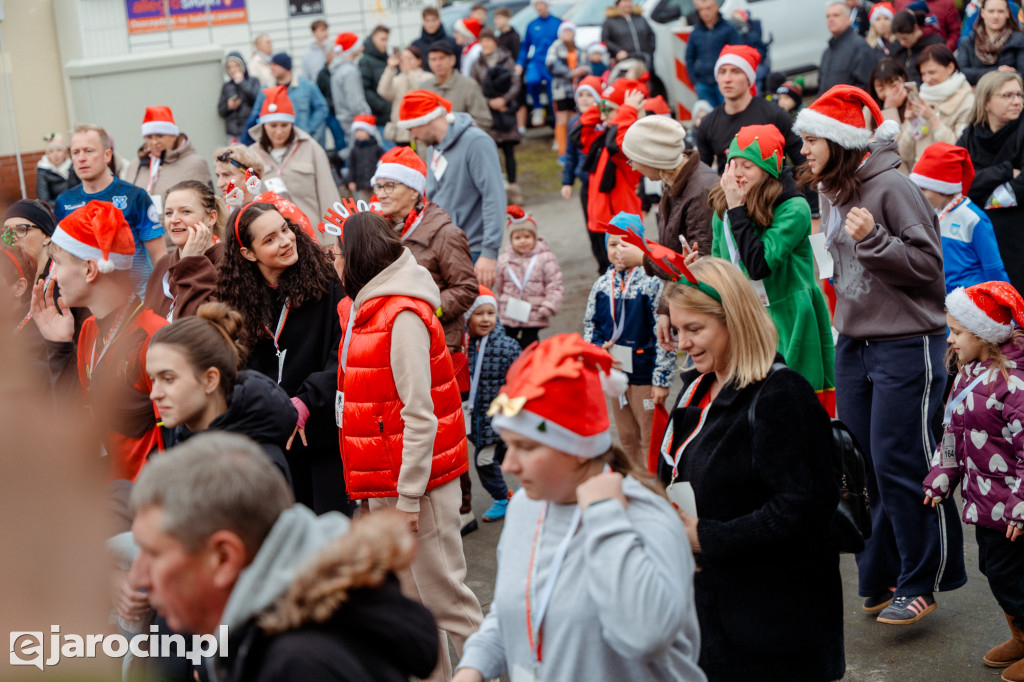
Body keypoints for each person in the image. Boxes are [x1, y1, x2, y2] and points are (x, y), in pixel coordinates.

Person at [794, 84, 967, 623]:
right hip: (855, 343)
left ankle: (923, 579)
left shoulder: (892, 186)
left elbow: (929, 271)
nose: (803, 149)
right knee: (863, 464)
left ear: (840, 141)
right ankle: (883, 572)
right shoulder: (833, 187)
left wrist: (875, 242)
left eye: (811, 139)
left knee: (902, 461)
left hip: (906, 344)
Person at [453, 333, 705, 682]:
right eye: (507, 446)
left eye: (525, 446)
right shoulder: (527, 506)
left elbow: (646, 635)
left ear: (576, 449)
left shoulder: (642, 516)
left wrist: (604, 517)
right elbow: (517, 608)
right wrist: (474, 666)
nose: (508, 465)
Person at [657, 257, 843, 680]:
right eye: (677, 328)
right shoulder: (696, 391)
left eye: (694, 329)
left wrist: (705, 537)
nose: (682, 342)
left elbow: (805, 509)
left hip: (775, 628)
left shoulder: (782, 395)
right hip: (713, 617)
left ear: (733, 321)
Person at [127, 433, 439, 682]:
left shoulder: (299, 668)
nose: (138, 578)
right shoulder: (276, 641)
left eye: (153, 553)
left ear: (223, 558)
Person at [335, 211, 484, 682]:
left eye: (338, 253)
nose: (334, 261)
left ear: (357, 257)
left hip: (414, 490)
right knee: (415, 610)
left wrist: (406, 495)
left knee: (450, 605)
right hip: (389, 485)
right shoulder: (373, 308)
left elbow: (420, 413)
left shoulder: (399, 315)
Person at [218, 201, 349, 515]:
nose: (286, 241)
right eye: (269, 239)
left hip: (323, 433)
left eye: (285, 230)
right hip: (274, 441)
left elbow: (343, 352)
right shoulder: (237, 301)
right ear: (248, 254)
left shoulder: (327, 283)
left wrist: (306, 401)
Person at [922, 282, 1024, 680]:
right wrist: (943, 473)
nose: (950, 338)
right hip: (984, 502)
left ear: (984, 333)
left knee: (1013, 574)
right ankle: (1019, 634)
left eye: (957, 331)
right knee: (994, 569)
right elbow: (952, 431)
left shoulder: (1013, 384)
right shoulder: (966, 375)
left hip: (1013, 508)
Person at [30, 200, 167, 481]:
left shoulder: (156, 335)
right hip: (106, 497)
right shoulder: (90, 328)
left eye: (58, 263)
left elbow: (174, 443)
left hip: (146, 504)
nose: (52, 275)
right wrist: (58, 347)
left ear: (90, 270)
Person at [709, 124, 836, 411]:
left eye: (748, 166)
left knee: (794, 402)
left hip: (790, 314)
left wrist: (736, 210)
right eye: (733, 164)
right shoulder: (725, 207)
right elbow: (720, 269)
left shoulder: (794, 208)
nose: (738, 173)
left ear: (767, 170)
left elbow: (759, 264)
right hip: (746, 313)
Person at [147, 302, 295, 479]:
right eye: (153, 380)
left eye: (168, 379)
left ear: (210, 380)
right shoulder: (182, 449)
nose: (154, 394)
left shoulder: (256, 468)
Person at [584, 213, 673, 468]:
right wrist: (596, 349)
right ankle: (635, 487)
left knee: (651, 437)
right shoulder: (601, 285)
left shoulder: (652, 283)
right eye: (613, 244)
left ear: (641, 246)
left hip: (645, 377)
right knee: (627, 438)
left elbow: (665, 335)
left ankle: (657, 489)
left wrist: (661, 380)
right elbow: (591, 326)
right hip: (615, 375)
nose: (619, 250)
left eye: (626, 243)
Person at [370, 145, 479, 351]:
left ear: (413, 190)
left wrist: (427, 309)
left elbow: (466, 288)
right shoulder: (379, 233)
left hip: (437, 343)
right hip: (393, 342)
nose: (381, 194)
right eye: (378, 186)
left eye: (389, 186)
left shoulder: (446, 234)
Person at [399, 89, 505, 288]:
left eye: (411, 128)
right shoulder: (433, 148)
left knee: (480, 315)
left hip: (474, 250)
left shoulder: (476, 142)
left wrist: (489, 252)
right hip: (445, 249)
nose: (412, 135)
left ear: (426, 119)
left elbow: (494, 197)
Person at [56, 124, 165, 291]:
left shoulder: (135, 196)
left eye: (89, 151)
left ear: (107, 155)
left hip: (138, 301)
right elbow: (61, 258)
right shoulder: (64, 201)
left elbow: (159, 256)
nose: (81, 158)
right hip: (89, 304)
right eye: (75, 152)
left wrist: (164, 296)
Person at [248, 86, 340, 248]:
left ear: (292, 124)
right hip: (273, 246)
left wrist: (332, 241)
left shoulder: (311, 148)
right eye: (273, 125)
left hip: (314, 241)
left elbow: (328, 195)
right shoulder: (251, 155)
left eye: (284, 125)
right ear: (263, 126)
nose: (279, 131)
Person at [957, 71, 1024, 291]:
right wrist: (1005, 170)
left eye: (1019, 95)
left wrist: (982, 186)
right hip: (977, 230)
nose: (1017, 101)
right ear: (986, 102)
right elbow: (959, 180)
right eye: (1007, 96)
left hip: (1016, 231)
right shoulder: (970, 135)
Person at [909, 143, 1008, 292]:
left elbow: (993, 268)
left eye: (923, 189)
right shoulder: (931, 212)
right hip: (941, 302)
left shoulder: (974, 219)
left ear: (942, 188)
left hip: (971, 304)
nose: (919, 195)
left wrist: (1007, 309)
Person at [696, 46, 808, 174]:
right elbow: (703, 175)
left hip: (773, 192)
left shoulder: (775, 115)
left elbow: (803, 165)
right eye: (722, 72)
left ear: (749, 78)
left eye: (735, 71)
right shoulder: (708, 124)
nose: (727, 79)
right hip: (727, 192)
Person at [622, 114, 718, 257]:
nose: (633, 168)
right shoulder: (673, 177)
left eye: (632, 160)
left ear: (652, 159)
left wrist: (644, 259)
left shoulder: (701, 191)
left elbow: (700, 263)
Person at [464, 285, 521, 522]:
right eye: (479, 314)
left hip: (498, 416)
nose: (486, 319)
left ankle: (501, 498)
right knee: (505, 454)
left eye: (490, 313)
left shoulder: (506, 346)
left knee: (483, 460)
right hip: (477, 417)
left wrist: (512, 411)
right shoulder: (465, 345)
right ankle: (523, 489)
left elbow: (519, 379)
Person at [579, 80, 645, 271]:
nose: (604, 116)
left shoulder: (629, 142)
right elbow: (577, 133)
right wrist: (602, 103)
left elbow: (615, 145)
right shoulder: (601, 139)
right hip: (599, 222)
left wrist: (626, 110)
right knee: (605, 272)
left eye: (609, 111)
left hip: (621, 225)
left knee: (628, 275)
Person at [142, 180, 224, 322]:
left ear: (211, 218)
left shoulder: (229, 262)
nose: (173, 220)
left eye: (186, 211)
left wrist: (191, 263)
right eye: (168, 213)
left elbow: (200, 326)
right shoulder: (163, 264)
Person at [895, 44, 976, 168]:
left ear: (950, 67)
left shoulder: (967, 100)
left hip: (947, 177)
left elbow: (960, 150)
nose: (927, 79)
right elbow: (905, 155)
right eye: (923, 74)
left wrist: (933, 119)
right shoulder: (922, 97)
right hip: (918, 174)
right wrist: (912, 124)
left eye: (932, 72)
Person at [494, 206, 564, 349]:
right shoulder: (504, 260)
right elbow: (499, 286)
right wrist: (500, 303)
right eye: (517, 238)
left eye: (527, 237)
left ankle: (531, 367)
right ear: (511, 239)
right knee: (507, 344)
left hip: (534, 313)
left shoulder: (545, 258)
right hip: (509, 312)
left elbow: (554, 284)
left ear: (535, 237)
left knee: (530, 344)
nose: (523, 241)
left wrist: (549, 305)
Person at [213, 144, 315, 237]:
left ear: (249, 176)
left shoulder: (281, 209)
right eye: (218, 176)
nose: (219, 184)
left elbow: (311, 248)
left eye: (226, 175)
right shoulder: (222, 215)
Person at [125, 106, 212, 211]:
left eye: (159, 136)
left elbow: (208, 206)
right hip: (141, 226)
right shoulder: (136, 164)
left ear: (173, 136)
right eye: (149, 137)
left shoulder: (195, 164)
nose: (154, 142)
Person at [470, 28, 523, 195]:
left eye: (488, 40)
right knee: (491, 151)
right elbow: (474, 88)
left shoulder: (505, 59)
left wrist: (504, 100)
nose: (485, 44)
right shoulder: (476, 64)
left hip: (506, 110)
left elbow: (515, 81)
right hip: (487, 113)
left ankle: (514, 187)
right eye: (482, 41)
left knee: (509, 150)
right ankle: (499, 188)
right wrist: (489, 102)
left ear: (494, 42)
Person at [247, 53, 330, 146]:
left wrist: (310, 128)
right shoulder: (266, 89)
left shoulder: (307, 86)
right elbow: (257, 113)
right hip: (276, 144)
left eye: (275, 65)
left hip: (302, 142)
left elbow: (322, 108)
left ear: (285, 67)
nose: (271, 68)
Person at [423, 40, 493, 130]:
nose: (438, 64)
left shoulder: (469, 86)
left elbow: (484, 121)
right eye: (433, 59)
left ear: (453, 60)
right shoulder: (425, 89)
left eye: (442, 58)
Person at [685, 0, 742, 107]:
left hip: (725, 81)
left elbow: (737, 54)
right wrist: (694, 80)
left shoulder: (728, 29)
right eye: (701, 10)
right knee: (710, 116)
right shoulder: (696, 32)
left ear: (716, 8)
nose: (704, 13)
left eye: (708, 8)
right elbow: (689, 57)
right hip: (703, 83)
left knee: (728, 112)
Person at [561, 77, 600, 229]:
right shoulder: (574, 123)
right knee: (591, 226)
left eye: (589, 95)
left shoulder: (603, 122)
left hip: (603, 183)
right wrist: (567, 182)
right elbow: (570, 155)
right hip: (586, 183)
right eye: (581, 95)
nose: (584, 99)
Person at [545, 21, 587, 159]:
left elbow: (587, 65)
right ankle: (562, 151)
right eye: (565, 31)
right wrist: (570, 72)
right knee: (562, 119)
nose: (567, 34)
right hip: (561, 90)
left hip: (576, 91)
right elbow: (551, 64)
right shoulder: (556, 47)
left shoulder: (578, 49)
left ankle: (573, 149)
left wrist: (582, 70)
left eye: (570, 31)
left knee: (574, 119)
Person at [957, 0, 1024, 85]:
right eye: (991, 11)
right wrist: (997, 71)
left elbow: (1022, 74)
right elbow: (962, 73)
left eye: (1000, 11)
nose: (995, 16)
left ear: (1007, 13)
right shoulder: (969, 41)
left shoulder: (1019, 40)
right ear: (982, 13)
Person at [517, 0, 561, 128]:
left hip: (553, 64)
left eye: (542, 4)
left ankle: (556, 130)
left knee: (553, 97)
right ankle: (537, 108)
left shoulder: (557, 22)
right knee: (531, 80)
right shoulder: (532, 25)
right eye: (537, 5)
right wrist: (520, 62)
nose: (540, 7)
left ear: (546, 5)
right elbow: (525, 46)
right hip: (537, 62)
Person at [819, 1, 879, 93]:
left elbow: (866, 85)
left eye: (836, 15)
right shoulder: (827, 52)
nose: (831, 19)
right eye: (828, 16)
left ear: (848, 18)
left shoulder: (860, 47)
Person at [377, 45, 427, 146]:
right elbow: (383, 91)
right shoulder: (397, 79)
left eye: (409, 58)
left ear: (419, 61)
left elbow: (421, 92)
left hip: (422, 131)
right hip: (401, 133)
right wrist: (390, 69)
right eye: (403, 58)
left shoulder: (427, 77)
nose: (405, 61)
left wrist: (409, 72)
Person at [330, 32, 372, 147]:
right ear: (351, 48)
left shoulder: (338, 69)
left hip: (346, 121)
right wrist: (365, 118)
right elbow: (355, 102)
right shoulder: (349, 71)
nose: (362, 47)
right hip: (357, 123)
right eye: (358, 44)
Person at [892, 9, 946, 83]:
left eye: (905, 38)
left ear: (915, 28)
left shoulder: (933, 45)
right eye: (898, 39)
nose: (902, 43)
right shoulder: (898, 48)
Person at [218, 52, 261, 144]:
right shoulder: (227, 86)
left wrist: (241, 83)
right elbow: (220, 110)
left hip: (251, 129)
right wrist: (228, 106)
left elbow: (256, 100)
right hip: (233, 132)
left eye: (236, 66)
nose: (233, 70)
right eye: (229, 67)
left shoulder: (253, 81)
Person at [602, 0, 657, 72]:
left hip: (644, 59)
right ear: (618, 3)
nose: (627, 4)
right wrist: (617, 50)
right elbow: (605, 40)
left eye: (629, 1)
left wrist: (649, 51)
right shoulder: (610, 21)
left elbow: (651, 35)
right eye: (624, 2)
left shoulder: (640, 18)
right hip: (624, 61)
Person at [360, 25, 393, 144]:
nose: (385, 43)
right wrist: (381, 106)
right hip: (381, 117)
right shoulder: (365, 61)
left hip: (392, 116)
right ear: (373, 38)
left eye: (386, 40)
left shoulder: (387, 59)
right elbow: (365, 88)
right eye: (382, 39)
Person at [344, 115, 384, 202]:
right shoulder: (354, 150)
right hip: (360, 184)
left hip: (375, 184)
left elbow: (382, 165)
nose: (359, 133)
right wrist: (351, 180)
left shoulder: (377, 149)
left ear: (369, 132)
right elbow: (351, 166)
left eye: (361, 130)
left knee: (376, 204)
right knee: (363, 204)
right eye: (357, 131)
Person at [35, 133, 78, 209]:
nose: (56, 154)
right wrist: (65, 205)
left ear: (65, 153)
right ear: (47, 155)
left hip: (78, 205)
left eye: (59, 150)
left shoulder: (73, 167)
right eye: (51, 151)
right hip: (57, 209)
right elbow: (44, 199)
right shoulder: (43, 172)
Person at [412, 6, 449, 73]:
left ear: (439, 20)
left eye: (433, 20)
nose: (430, 24)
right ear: (423, 22)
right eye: (427, 20)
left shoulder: (451, 42)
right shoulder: (415, 45)